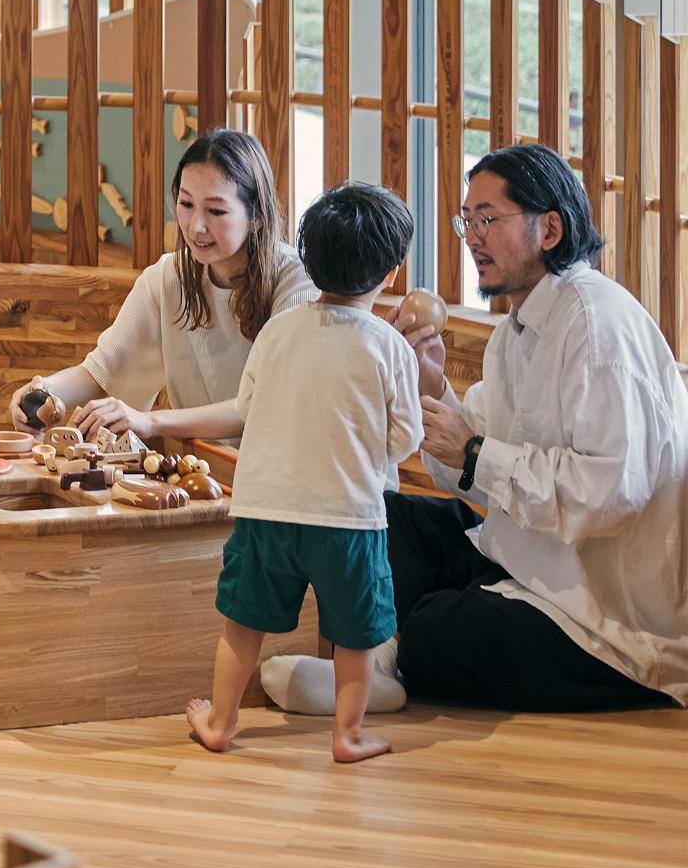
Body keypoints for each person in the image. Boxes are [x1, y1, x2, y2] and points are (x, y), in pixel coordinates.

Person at [262, 144, 686, 715]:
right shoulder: (518, 326)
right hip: (528, 561)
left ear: (550, 230)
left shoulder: (594, 324)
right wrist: (433, 387)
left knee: (441, 630)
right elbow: (475, 466)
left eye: (488, 219)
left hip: (605, 615)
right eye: (468, 220)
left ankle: (388, 659)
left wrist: (476, 452)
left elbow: (613, 494)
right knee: (385, 515)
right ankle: (381, 668)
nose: (471, 236)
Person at [185, 182, 421, 763]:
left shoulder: (278, 329)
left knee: (242, 626)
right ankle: (347, 736)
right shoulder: (390, 347)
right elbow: (407, 437)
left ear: (308, 261)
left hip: (265, 511)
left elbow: (247, 407)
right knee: (358, 634)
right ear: (390, 273)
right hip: (351, 520)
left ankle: (219, 723)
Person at [7, 129, 317, 443]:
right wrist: (43, 391)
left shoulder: (296, 282)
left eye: (216, 211)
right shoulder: (169, 277)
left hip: (276, 480)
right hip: (201, 473)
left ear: (257, 216)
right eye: (186, 204)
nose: (196, 226)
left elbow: (264, 402)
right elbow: (102, 373)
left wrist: (151, 422)